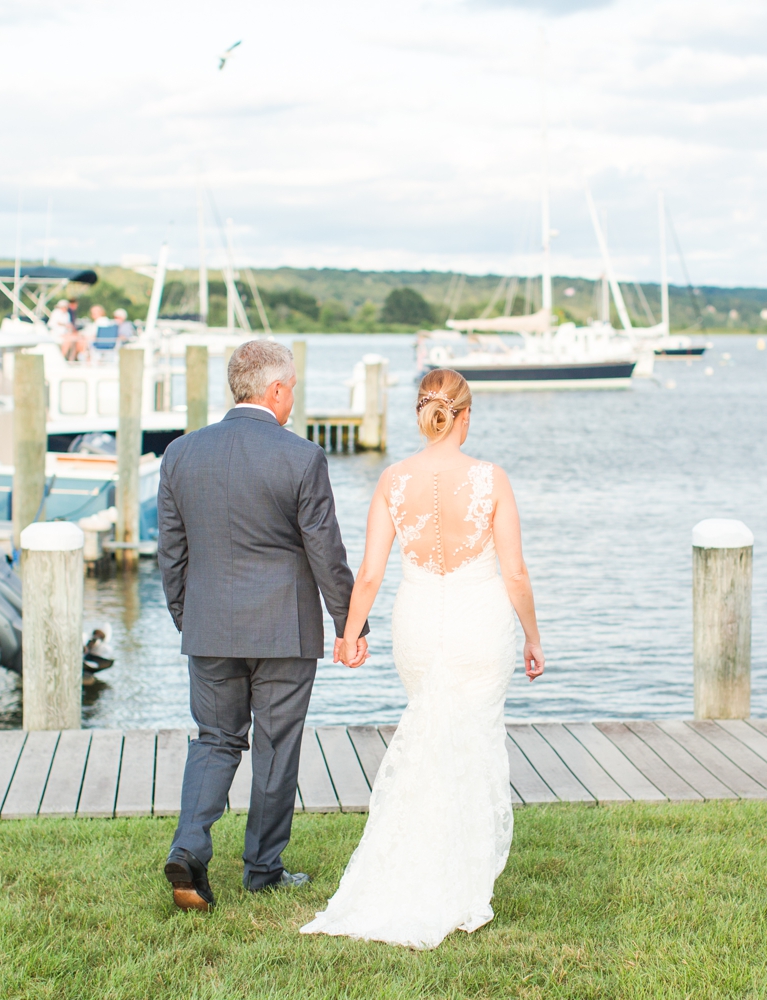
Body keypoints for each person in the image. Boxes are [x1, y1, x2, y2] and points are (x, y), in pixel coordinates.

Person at [300, 367, 545, 950]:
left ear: (421, 415)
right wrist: (534, 637)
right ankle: (461, 883)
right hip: (480, 624)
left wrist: (350, 632)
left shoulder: (393, 479)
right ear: (465, 416)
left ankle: (426, 871)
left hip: (416, 624)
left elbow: (370, 572)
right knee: (474, 740)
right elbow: (514, 572)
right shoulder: (491, 478)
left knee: (431, 735)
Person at [156, 338, 368, 911]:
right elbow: (328, 553)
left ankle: (189, 850)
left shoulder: (180, 454)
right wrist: (351, 627)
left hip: (209, 628)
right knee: (276, 746)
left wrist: (187, 618)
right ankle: (262, 869)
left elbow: (170, 554)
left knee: (216, 740)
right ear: (275, 390)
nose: (293, 399)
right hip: (284, 631)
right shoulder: (301, 458)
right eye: (292, 388)